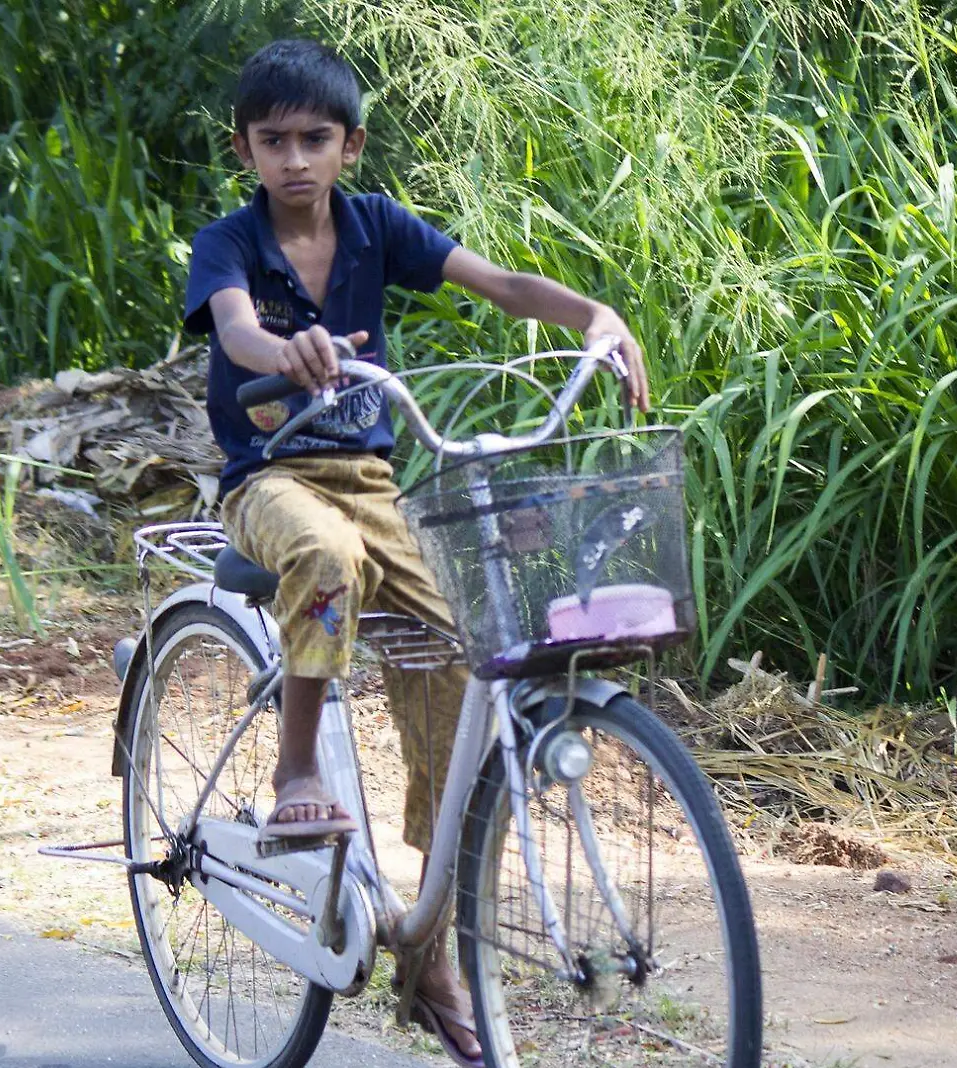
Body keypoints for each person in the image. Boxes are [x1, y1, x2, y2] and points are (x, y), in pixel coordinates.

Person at [180, 38, 648, 1067]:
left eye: (314, 139)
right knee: (326, 564)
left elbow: (501, 281)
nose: (294, 160)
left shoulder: (374, 226)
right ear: (244, 150)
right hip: (270, 479)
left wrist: (591, 316)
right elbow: (236, 334)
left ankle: (426, 947)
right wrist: (281, 349)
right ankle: (299, 766)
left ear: (350, 145)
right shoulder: (228, 244)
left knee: (460, 660)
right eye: (273, 142)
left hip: (373, 481)